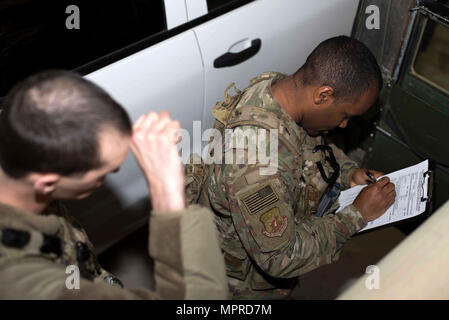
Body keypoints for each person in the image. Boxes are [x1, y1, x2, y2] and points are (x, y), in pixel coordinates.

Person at [187, 36, 396, 299]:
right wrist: (357, 215)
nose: (343, 125)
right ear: (323, 95)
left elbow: (312, 145)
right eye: (345, 116)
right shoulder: (255, 163)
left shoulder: (281, 89)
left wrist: (347, 173)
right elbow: (280, 257)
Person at [0, 70, 228, 299]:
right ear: (47, 183)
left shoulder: (23, 162)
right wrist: (167, 191)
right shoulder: (22, 284)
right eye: (103, 174)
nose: (112, 175)